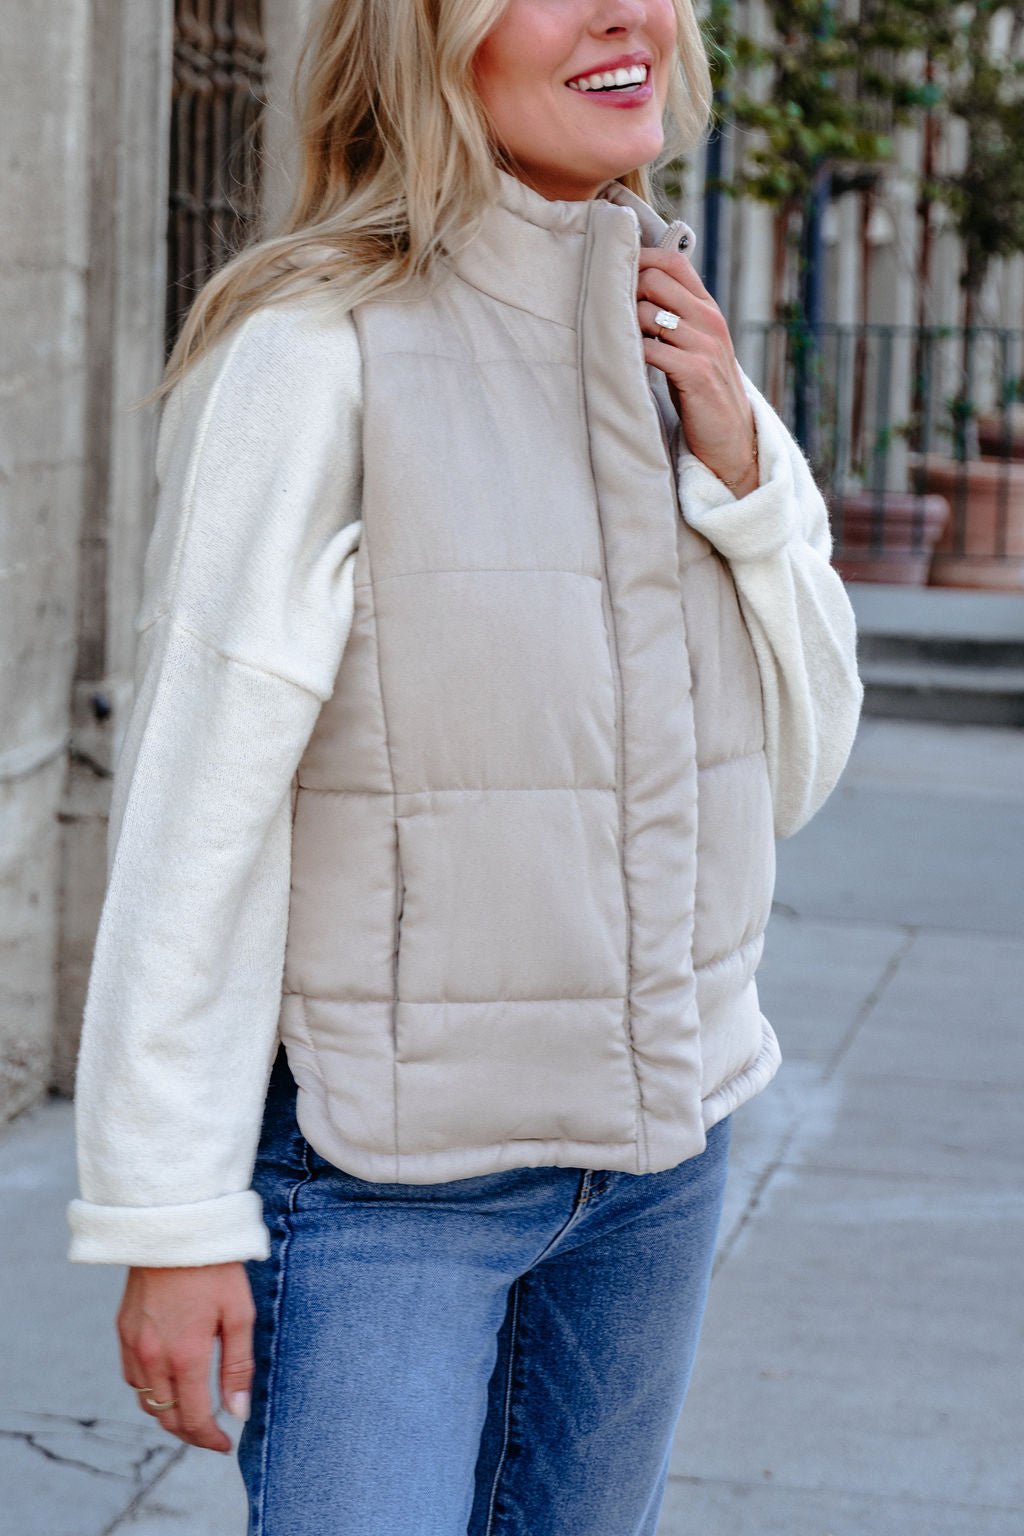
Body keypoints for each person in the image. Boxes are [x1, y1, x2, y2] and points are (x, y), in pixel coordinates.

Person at [67, 1, 862, 1532]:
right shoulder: (313, 350)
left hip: (660, 1170)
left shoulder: (678, 344)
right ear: (427, 39)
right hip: (389, 1189)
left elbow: (793, 772)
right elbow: (198, 808)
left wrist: (747, 486)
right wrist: (169, 1211)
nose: (629, 12)